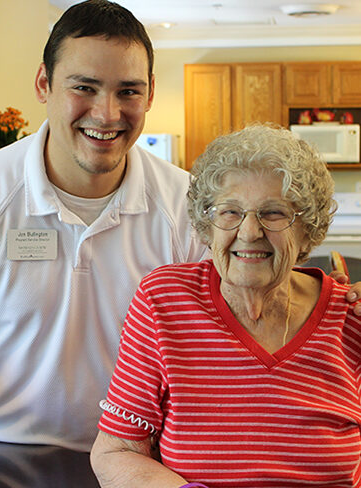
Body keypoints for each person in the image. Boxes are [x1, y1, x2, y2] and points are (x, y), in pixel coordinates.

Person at [0, 1, 358, 486]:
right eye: (84, 87)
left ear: (150, 94)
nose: (107, 112)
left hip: (147, 461)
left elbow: (250, 294)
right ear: (43, 84)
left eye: (128, 91)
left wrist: (334, 302)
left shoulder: (192, 206)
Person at [91, 124, 361, 488]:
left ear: (307, 230)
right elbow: (117, 451)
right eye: (230, 212)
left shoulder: (350, 318)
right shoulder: (166, 301)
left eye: (274, 213)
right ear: (206, 225)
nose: (250, 232)